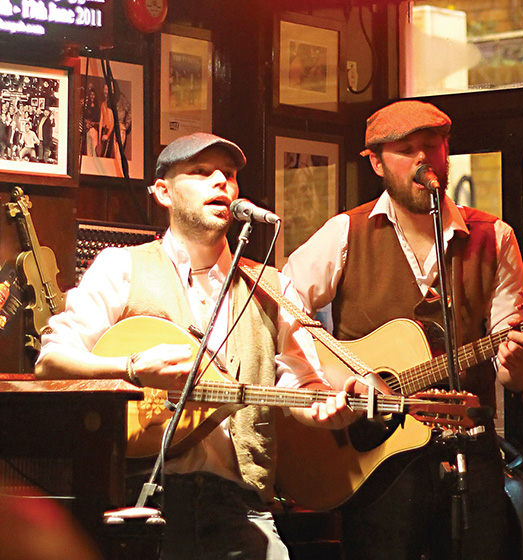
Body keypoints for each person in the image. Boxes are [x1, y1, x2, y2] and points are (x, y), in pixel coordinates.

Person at [34, 132, 360, 560]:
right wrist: (131, 369)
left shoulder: (273, 288)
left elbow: (302, 386)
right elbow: (51, 363)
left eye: (229, 174)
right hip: (140, 501)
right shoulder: (120, 268)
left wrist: (325, 412)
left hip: (241, 507)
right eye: (202, 172)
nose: (221, 182)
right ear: (163, 192)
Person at [282, 100, 523, 560]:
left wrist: (518, 361)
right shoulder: (346, 232)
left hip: (470, 452)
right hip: (376, 461)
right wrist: (338, 381)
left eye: (431, 146)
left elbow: (511, 373)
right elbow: (281, 306)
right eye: (406, 150)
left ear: (446, 153)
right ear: (377, 163)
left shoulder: (493, 236)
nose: (422, 159)